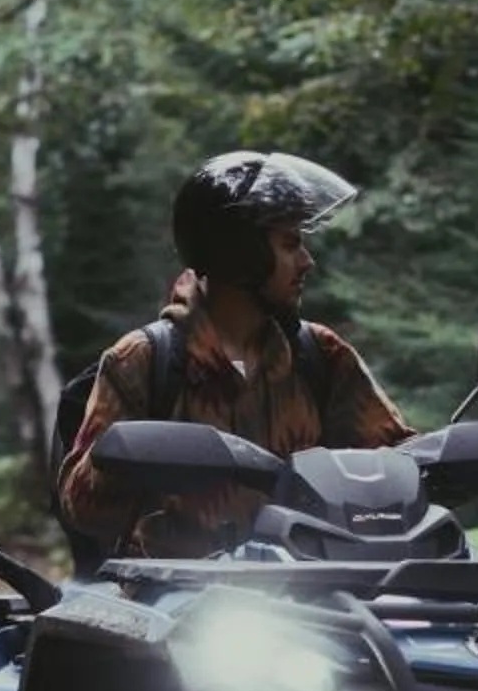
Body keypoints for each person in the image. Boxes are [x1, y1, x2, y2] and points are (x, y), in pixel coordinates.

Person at [57, 151, 411, 560]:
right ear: (242, 253)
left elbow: (396, 468)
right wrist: (129, 461)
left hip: (312, 595)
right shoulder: (144, 359)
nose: (306, 261)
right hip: (176, 603)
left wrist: (448, 462)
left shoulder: (321, 356)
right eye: (290, 244)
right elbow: (82, 509)